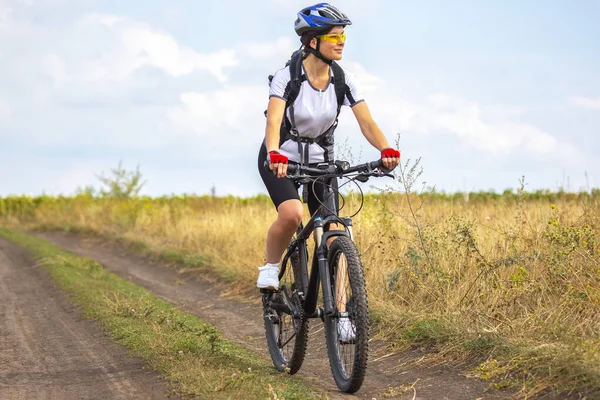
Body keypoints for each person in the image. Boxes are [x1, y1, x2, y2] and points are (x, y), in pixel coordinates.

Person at [257, 3, 400, 295]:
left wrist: (386, 148)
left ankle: (345, 313)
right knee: (292, 214)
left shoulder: (344, 81)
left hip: (322, 163)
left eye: (343, 36)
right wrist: (274, 152)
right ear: (313, 41)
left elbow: (367, 123)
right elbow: (273, 122)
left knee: (336, 232)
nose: (342, 42)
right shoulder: (287, 78)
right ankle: (271, 267)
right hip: (281, 159)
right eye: (334, 37)